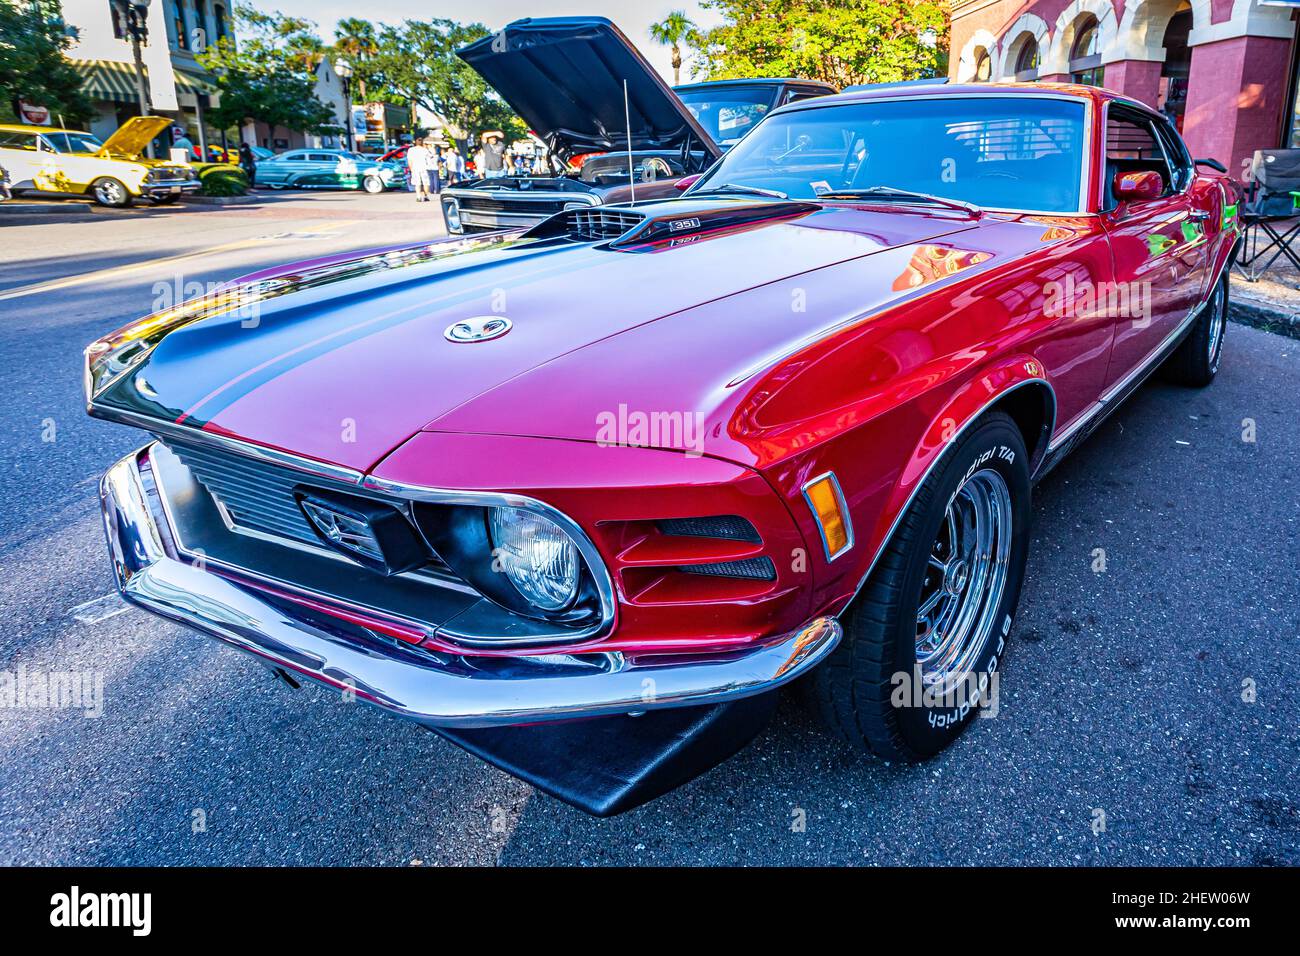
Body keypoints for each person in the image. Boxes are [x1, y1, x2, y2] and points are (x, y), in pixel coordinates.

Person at [407, 137, 433, 202]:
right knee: (426, 183)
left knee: (417, 183)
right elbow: (430, 158)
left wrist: (411, 168)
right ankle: (426, 196)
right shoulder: (425, 150)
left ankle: (418, 197)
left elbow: (410, 160)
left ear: (416, 142)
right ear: (422, 143)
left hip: (415, 168)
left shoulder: (411, 150)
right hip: (424, 168)